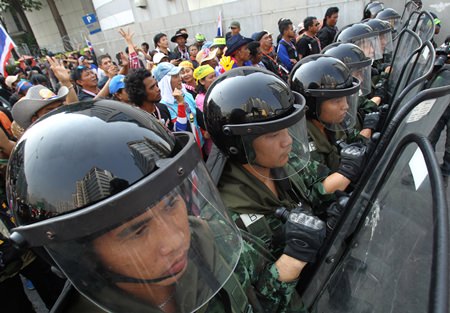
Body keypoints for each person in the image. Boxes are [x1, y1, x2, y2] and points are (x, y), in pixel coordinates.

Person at [7, 100, 326, 313]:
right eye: (135, 230)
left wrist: (291, 264)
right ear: (82, 251)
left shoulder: (209, 236)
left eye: (172, 203)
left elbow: (262, 300)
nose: (175, 240)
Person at [290, 55, 368, 181]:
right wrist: (347, 171)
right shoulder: (298, 139)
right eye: (337, 101)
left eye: (345, 99)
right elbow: (317, 189)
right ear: (312, 103)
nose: (346, 106)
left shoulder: (334, 122)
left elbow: (356, 142)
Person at [154, 63, 204, 150]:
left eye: (178, 75)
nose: (180, 78)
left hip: (200, 144)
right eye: (175, 76)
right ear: (166, 81)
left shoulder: (187, 95)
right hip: (188, 151)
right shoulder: (163, 107)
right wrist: (180, 104)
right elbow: (180, 132)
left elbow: (197, 116)